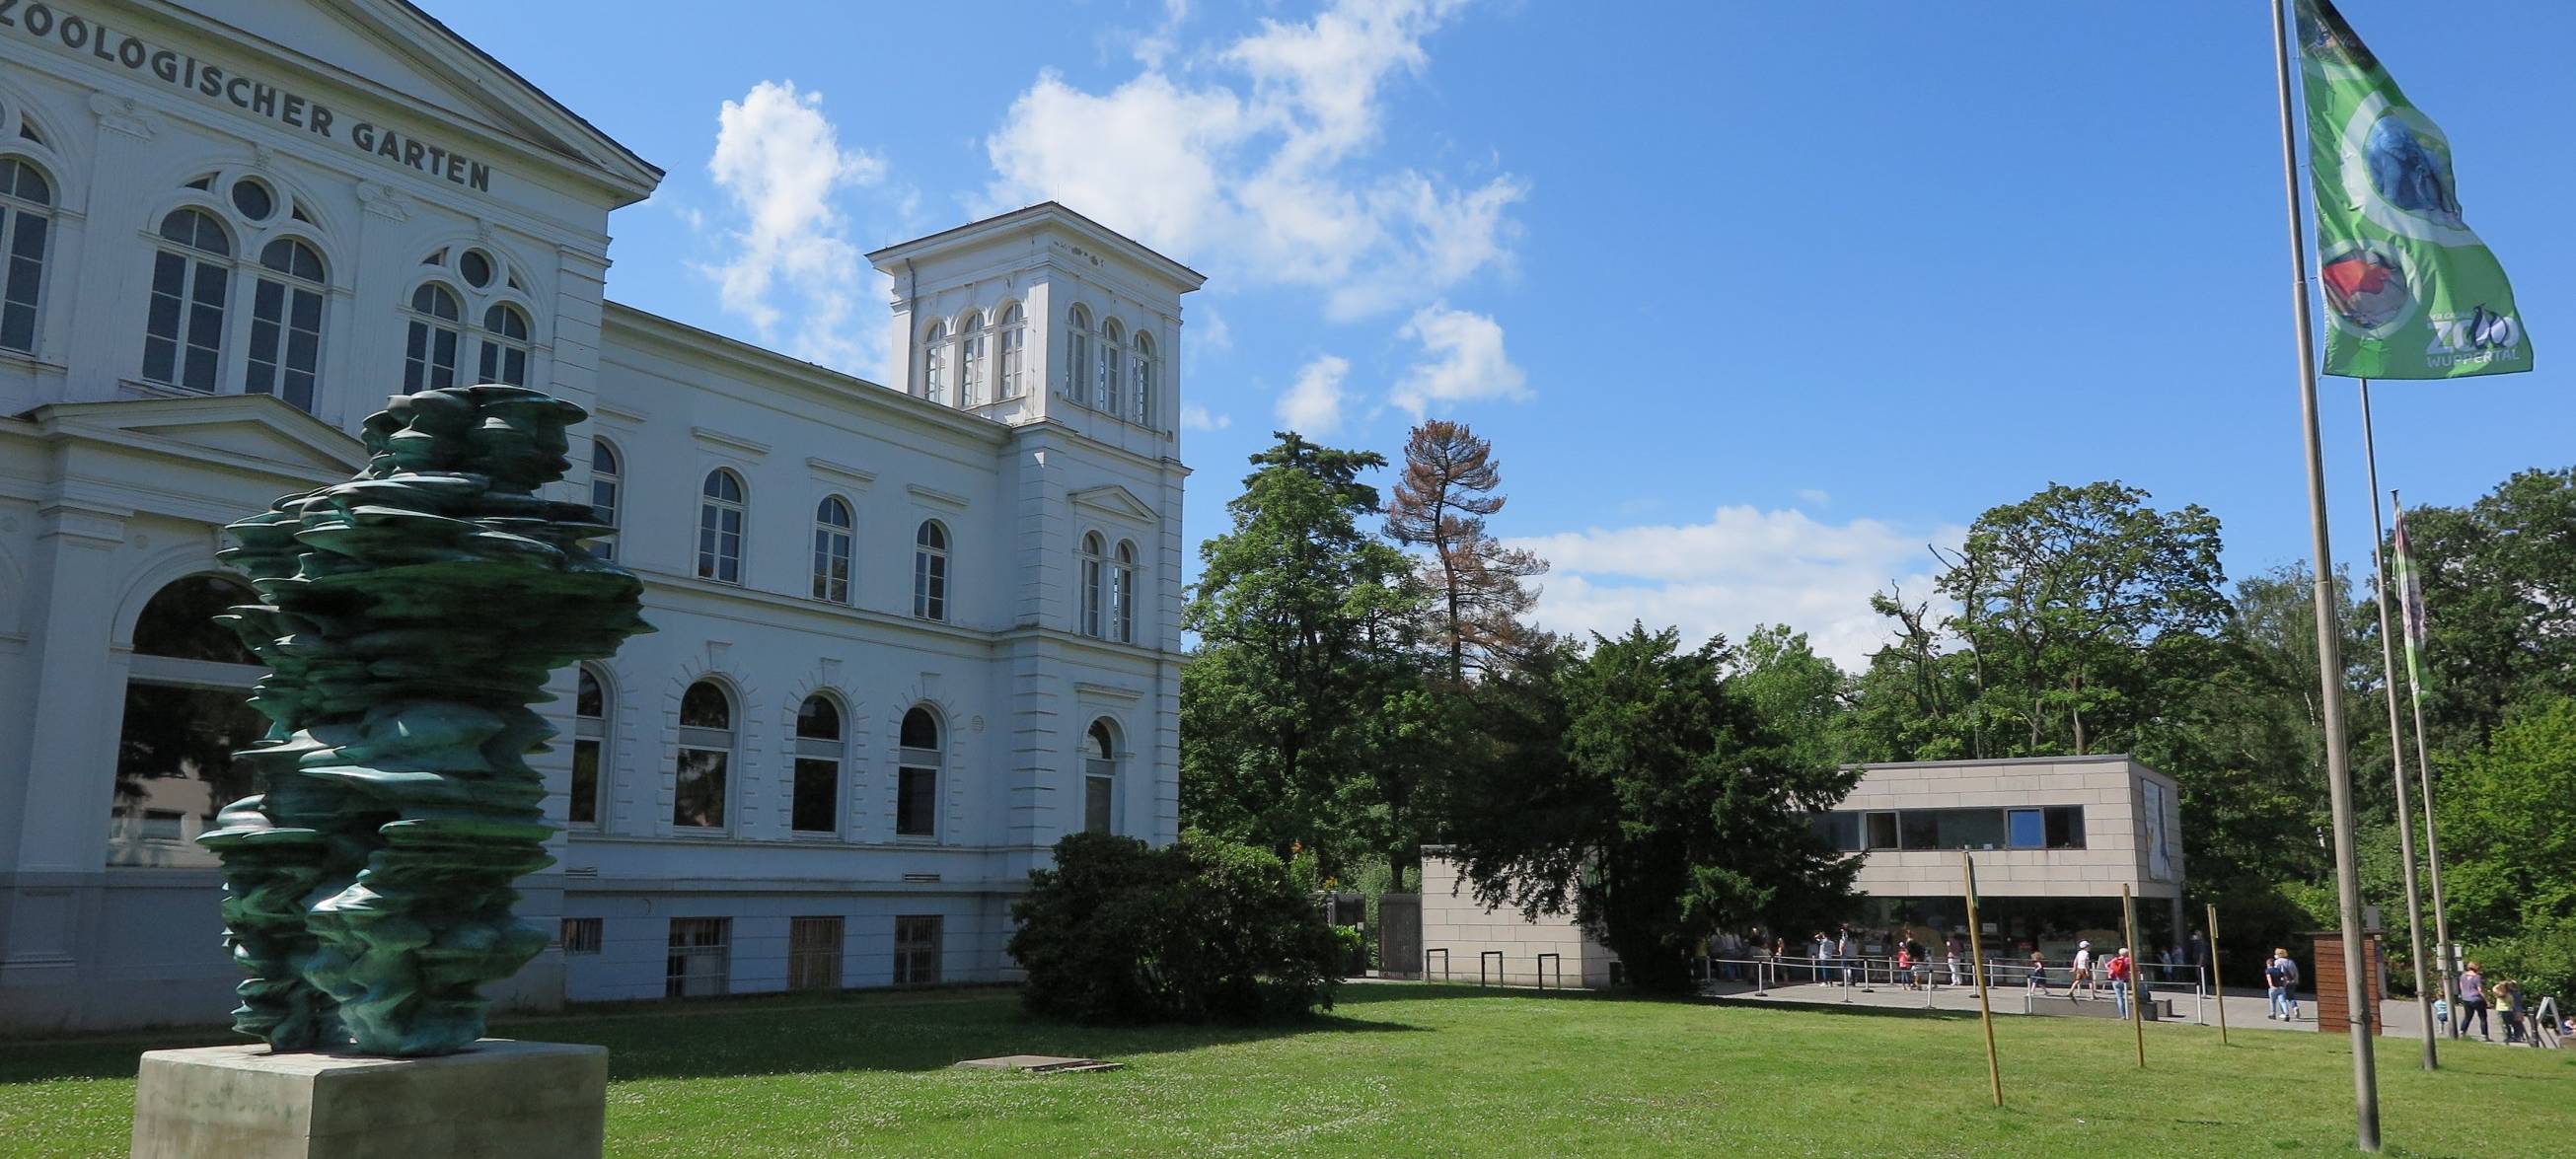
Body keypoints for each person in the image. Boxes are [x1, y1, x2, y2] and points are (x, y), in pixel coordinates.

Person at [2456, 962, 2489, 1040]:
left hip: (2466, 998)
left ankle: (2462, 1031)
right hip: (2476, 998)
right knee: (2482, 1017)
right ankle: (2484, 1035)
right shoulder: (2477, 977)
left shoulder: (2463, 976)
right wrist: (2486, 999)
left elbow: (2461, 987)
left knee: (2468, 1016)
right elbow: (2480, 990)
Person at [2266, 948, 2302, 1021]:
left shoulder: (2277, 962)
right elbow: (2296, 972)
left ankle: (2283, 1013)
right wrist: (2296, 980)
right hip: (2292, 981)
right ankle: (2295, 1007)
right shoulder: (2291, 961)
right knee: (2291, 996)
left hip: (2282, 982)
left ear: (2278, 955)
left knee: (2282, 999)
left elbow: (2275, 973)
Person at [2496, 977, 2525, 1045]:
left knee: (2509, 1024)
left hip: (2512, 1009)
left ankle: (2512, 1036)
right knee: (2517, 1024)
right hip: (2516, 1009)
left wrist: (2502, 984)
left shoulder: (2506, 993)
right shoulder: (2516, 993)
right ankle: (2519, 1036)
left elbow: (2495, 989)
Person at [2108, 947, 2134, 1019]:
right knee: (2130, 994)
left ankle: (2123, 1015)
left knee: (2119, 998)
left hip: (2116, 980)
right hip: (2125, 980)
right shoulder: (2128, 960)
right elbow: (2135, 968)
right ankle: (2130, 1009)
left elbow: (2107, 965)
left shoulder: (2115, 960)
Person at [2189, 930, 2211, 995]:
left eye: (2196, 935)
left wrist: (2200, 963)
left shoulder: (2201, 943)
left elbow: (2202, 953)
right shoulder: (2198, 943)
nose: (2194, 936)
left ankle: (2203, 989)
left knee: (2201, 976)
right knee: (2200, 976)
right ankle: (2202, 989)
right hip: (2198, 961)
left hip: (2200, 962)